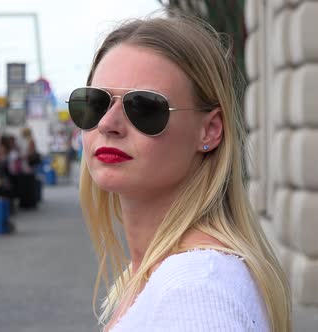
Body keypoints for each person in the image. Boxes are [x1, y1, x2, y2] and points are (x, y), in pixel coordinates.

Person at [69, 14, 291, 331]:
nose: (108, 124)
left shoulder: (196, 290)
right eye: (93, 103)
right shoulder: (164, 274)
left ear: (210, 130)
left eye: (144, 107)